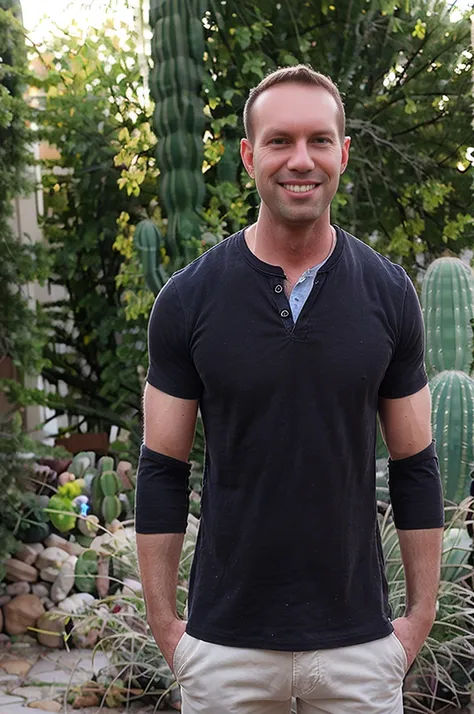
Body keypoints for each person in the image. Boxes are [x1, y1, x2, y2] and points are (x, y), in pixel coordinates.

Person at [135, 65, 444, 714]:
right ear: (249, 155)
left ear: (342, 154)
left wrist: (416, 622)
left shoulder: (389, 295)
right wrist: (169, 629)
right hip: (225, 648)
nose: (300, 160)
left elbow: (416, 467)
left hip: (358, 647)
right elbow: (161, 470)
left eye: (319, 141)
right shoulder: (189, 301)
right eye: (279, 141)